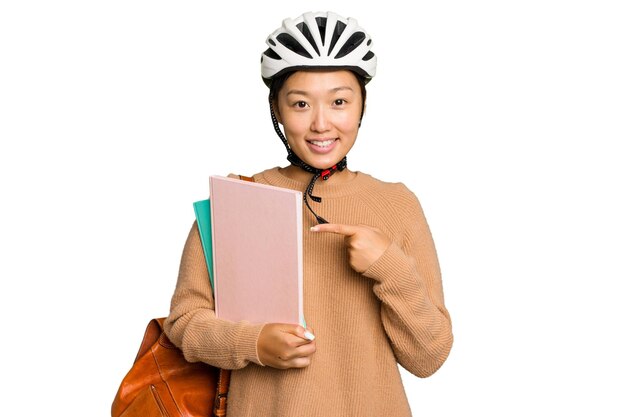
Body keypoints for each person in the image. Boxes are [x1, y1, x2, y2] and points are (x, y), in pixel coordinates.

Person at [164, 11, 453, 416]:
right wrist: (254, 343)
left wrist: (390, 267)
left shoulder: (397, 204)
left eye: (339, 101)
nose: (321, 123)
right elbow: (184, 324)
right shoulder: (236, 198)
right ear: (277, 109)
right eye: (300, 103)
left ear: (361, 106)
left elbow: (429, 356)